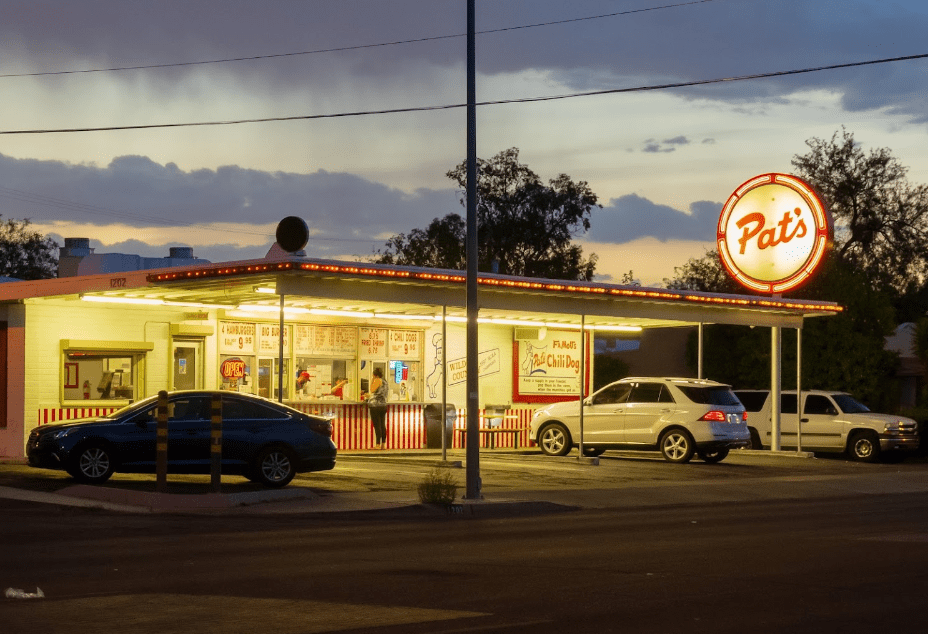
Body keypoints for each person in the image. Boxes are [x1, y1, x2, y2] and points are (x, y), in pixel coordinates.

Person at [364, 368, 389, 449]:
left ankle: (377, 444)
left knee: (377, 425)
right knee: (382, 425)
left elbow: (372, 389)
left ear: (375, 375)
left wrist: (372, 380)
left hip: (375, 406)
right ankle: (383, 444)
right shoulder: (385, 382)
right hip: (383, 405)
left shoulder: (377, 380)